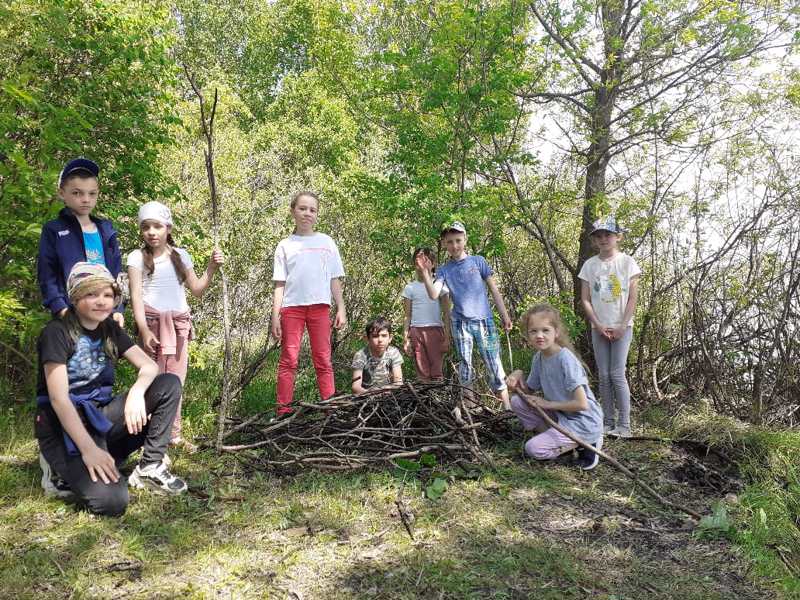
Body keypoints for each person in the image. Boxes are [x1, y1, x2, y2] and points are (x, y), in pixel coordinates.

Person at [35, 262, 187, 517]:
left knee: (168, 383)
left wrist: (137, 392)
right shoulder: (57, 332)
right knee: (112, 502)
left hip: (100, 417)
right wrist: (89, 450)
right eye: (91, 294)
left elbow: (149, 366)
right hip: (61, 425)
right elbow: (59, 399)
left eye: (108, 295)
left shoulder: (110, 329)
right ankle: (57, 466)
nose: (101, 301)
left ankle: (148, 467)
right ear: (75, 297)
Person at [126, 201, 224, 450]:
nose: (152, 232)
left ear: (168, 228)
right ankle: (151, 433)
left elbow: (198, 290)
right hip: (152, 323)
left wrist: (211, 268)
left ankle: (175, 435)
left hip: (178, 325)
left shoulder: (181, 256)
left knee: (176, 380)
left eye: (157, 226)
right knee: (152, 378)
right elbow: (136, 295)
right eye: (146, 227)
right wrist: (144, 329)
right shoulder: (137, 258)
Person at [416, 222, 512, 408]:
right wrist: (426, 273)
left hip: (485, 321)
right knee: (465, 363)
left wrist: (505, 316)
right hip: (461, 323)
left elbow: (494, 290)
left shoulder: (478, 261)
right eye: (450, 242)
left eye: (458, 240)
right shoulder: (444, 269)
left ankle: (506, 405)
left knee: (493, 361)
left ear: (465, 239)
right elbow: (434, 294)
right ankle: (470, 405)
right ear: (444, 243)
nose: (454, 245)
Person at [271, 191, 346, 415]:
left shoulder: (326, 242)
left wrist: (341, 307)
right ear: (293, 211)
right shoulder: (285, 245)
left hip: (320, 308)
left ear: (317, 215)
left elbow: (334, 279)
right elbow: (279, 284)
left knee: (323, 359)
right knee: (289, 360)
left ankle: (329, 409)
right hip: (292, 308)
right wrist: (275, 315)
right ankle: (282, 411)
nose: (307, 213)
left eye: (312, 210)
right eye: (303, 208)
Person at [505, 304, 604, 471]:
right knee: (517, 402)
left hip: (583, 421)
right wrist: (517, 374)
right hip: (562, 416)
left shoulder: (565, 359)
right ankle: (563, 444)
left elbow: (581, 404)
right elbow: (527, 393)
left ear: (556, 332)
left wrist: (547, 404)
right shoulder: (539, 358)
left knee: (533, 449)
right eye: (533, 331)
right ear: (527, 335)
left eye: (545, 330)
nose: (539, 336)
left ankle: (588, 443)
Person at [37, 157, 124, 326]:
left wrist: (118, 309)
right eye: (77, 193)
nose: (85, 199)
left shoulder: (106, 230)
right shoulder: (54, 230)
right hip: (71, 315)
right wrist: (60, 308)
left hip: (105, 314)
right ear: (62, 193)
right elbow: (47, 274)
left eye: (92, 193)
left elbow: (116, 274)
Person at [578, 216, 641, 438]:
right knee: (603, 375)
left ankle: (624, 425)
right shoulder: (590, 265)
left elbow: (632, 298)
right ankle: (607, 422)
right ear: (594, 240)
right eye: (599, 236)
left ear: (618, 237)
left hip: (622, 327)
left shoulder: (627, 262)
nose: (603, 239)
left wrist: (623, 325)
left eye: (608, 234)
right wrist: (596, 324)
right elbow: (585, 299)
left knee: (617, 373)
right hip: (599, 328)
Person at [401, 248, 451, 382]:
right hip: (416, 331)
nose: (421, 263)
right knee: (422, 372)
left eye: (425, 259)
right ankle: (425, 401)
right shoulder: (410, 287)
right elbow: (407, 315)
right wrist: (406, 339)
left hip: (435, 330)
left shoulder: (439, 284)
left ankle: (439, 399)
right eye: (418, 259)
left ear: (432, 263)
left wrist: (447, 338)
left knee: (437, 371)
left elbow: (447, 313)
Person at [352, 317, 404, 394]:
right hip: (366, 395)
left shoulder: (393, 352)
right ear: (367, 339)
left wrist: (386, 392)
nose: (380, 340)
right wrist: (371, 394)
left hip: (390, 395)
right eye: (375, 336)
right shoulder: (360, 355)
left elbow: (398, 382)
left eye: (384, 335)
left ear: (390, 338)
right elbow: (356, 387)